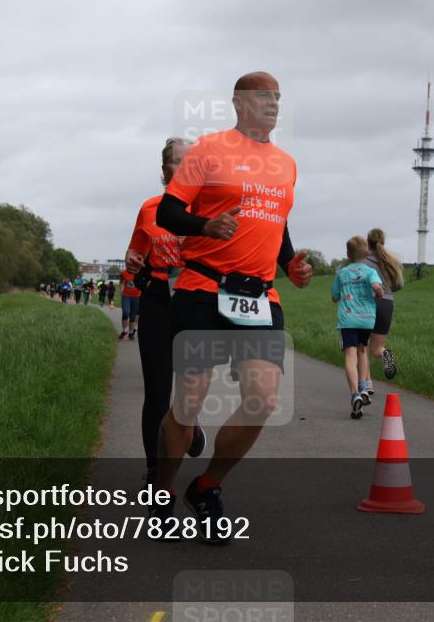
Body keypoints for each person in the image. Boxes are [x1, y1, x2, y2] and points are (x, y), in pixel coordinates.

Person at [150, 71, 313, 542]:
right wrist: (205, 226)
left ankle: (207, 486)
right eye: (265, 96)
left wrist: (290, 264)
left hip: (259, 296)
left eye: (279, 97)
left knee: (262, 400)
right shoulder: (209, 150)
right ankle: (161, 492)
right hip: (203, 289)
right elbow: (169, 212)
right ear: (240, 103)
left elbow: (275, 225)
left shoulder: (286, 164)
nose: (274, 104)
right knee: (189, 402)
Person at [125, 137, 206, 486]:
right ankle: (154, 472)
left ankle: (186, 425)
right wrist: (132, 263)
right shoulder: (149, 208)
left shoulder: (209, 209)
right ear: (165, 170)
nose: (183, 167)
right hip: (158, 297)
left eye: (191, 162)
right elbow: (133, 258)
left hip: (196, 298)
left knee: (189, 390)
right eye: (177, 161)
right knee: (157, 390)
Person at [332, 236, 384, 419]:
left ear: (347, 254)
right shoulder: (370, 271)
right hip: (367, 319)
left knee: (350, 354)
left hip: (348, 320)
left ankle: (355, 393)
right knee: (363, 351)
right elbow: (377, 287)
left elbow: (335, 296)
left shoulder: (342, 273)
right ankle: (364, 386)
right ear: (367, 252)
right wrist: (378, 291)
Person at [364, 228, 404, 385]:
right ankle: (386, 354)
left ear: (368, 242)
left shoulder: (363, 261)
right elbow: (399, 284)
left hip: (367, 303)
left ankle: (366, 384)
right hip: (387, 304)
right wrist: (387, 289)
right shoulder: (391, 261)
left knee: (362, 348)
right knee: (377, 349)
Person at [118, 269, 141, 339]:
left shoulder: (140, 272)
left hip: (137, 297)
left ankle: (131, 333)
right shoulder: (123, 273)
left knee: (133, 316)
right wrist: (121, 290)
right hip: (126, 296)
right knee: (125, 313)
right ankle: (125, 331)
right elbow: (121, 282)